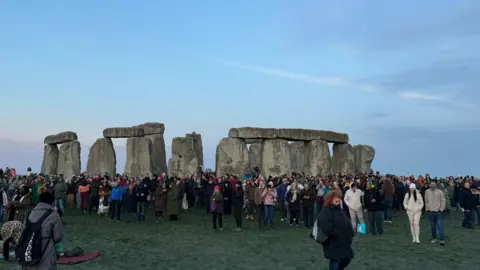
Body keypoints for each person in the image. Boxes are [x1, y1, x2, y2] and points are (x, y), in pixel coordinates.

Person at [22, 186, 63, 269]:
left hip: (30, 246)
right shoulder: (54, 215)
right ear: (51, 202)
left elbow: (24, 230)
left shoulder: (30, 212)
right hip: (46, 248)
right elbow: (58, 236)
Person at [318, 191, 354, 270]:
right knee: (335, 261)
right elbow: (326, 226)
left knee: (347, 258)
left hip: (343, 241)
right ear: (330, 199)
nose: (338, 200)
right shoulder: (326, 210)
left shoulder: (339, 209)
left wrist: (350, 232)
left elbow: (346, 221)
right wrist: (336, 233)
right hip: (333, 242)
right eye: (336, 198)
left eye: (339, 198)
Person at [424, 181, 445, 245]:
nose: (433, 185)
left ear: (436, 185)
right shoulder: (427, 191)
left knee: (440, 226)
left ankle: (442, 240)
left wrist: (441, 209)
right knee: (432, 226)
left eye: (434, 184)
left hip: (438, 212)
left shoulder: (440, 192)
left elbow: (443, 201)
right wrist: (427, 209)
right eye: (431, 184)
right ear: (429, 185)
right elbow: (426, 201)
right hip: (430, 212)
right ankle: (434, 238)